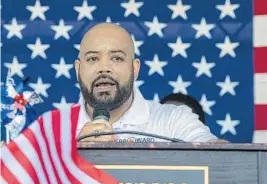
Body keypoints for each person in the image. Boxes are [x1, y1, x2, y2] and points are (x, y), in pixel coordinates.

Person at [74, 22, 219, 143]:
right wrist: (75, 153)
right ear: (78, 69)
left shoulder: (175, 120)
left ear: (135, 68)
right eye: (93, 59)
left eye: (117, 58)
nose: (104, 68)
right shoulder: (52, 129)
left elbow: (218, 155)